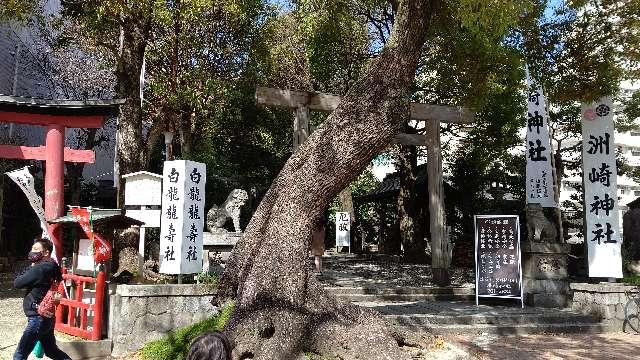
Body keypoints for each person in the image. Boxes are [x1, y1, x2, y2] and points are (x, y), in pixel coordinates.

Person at [13, 238, 70, 360]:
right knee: (51, 351)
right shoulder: (53, 266)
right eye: (32, 248)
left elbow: (17, 283)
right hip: (47, 317)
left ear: (46, 252)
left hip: (37, 317)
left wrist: (32, 266)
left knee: (20, 354)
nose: (32, 251)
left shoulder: (39, 269)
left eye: (36, 249)